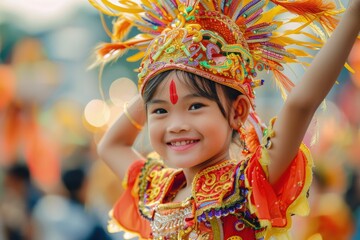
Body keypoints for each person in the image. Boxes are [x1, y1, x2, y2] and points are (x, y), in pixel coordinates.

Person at [89, 0, 360, 239]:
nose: (176, 125)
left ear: (237, 112)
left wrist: (353, 17)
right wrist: (161, 79)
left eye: (195, 106)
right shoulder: (157, 188)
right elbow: (110, 146)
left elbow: (300, 106)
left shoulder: (248, 182)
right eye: (160, 111)